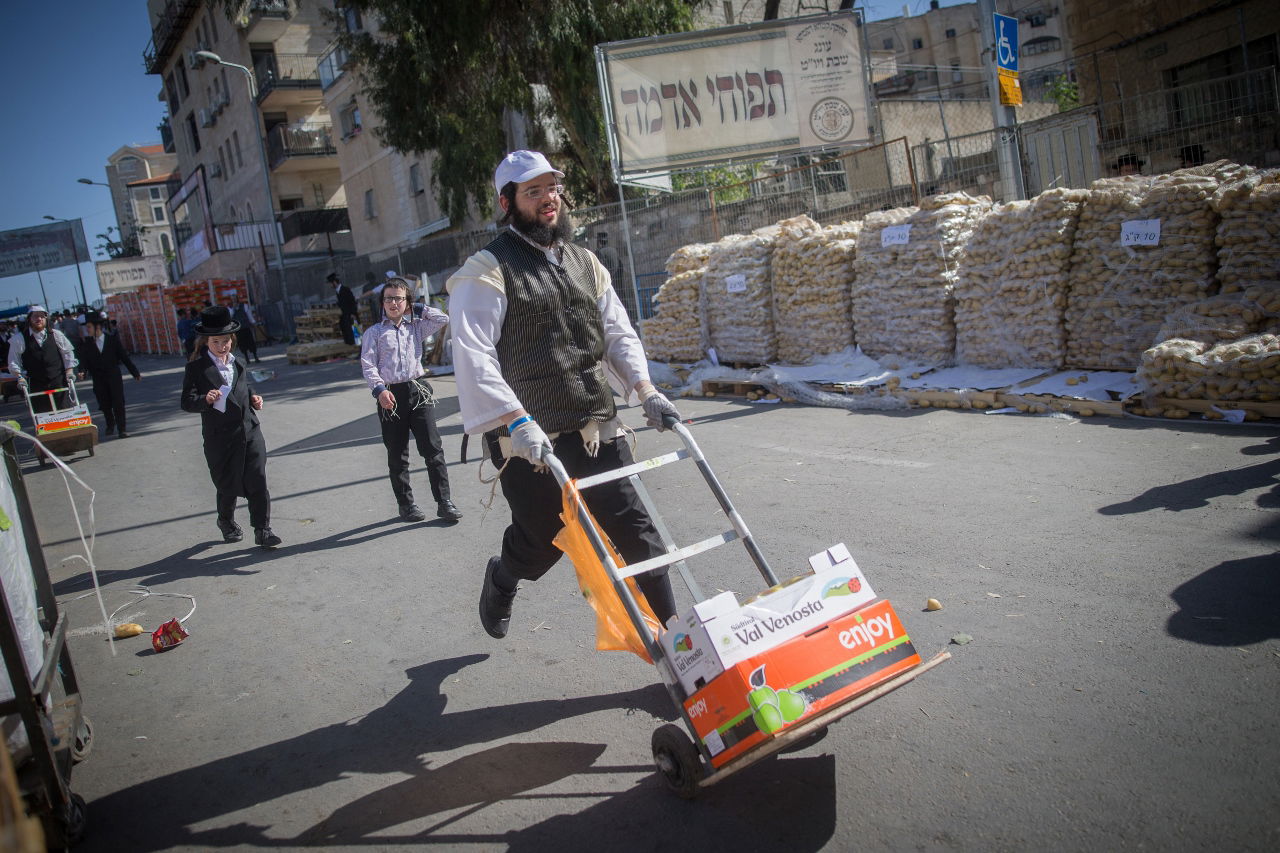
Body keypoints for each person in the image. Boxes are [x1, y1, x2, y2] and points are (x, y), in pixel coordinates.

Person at [446, 150, 682, 640]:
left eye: (552, 188)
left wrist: (645, 389)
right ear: (507, 202)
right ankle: (503, 576)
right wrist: (515, 419)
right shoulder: (486, 271)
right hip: (530, 442)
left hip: (597, 428)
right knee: (543, 542)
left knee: (639, 537)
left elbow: (616, 333)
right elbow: (474, 355)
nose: (548, 199)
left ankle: (684, 648)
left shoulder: (584, 262)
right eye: (533, 192)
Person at [360, 276, 462, 523]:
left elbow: (442, 319)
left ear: (407, 302)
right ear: (382, 303)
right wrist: (379, 391)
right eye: (388, 298)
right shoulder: (374, 332)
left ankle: (444, 502)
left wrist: (416, 308)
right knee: (398, 453)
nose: (393, 302)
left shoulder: (416, 326)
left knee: (432, 449)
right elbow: (368, 365)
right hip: (390, 395)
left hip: (418, 391)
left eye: (398, 298)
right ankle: (406, 505)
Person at [181, 305, 281, 549]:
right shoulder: (196, 368)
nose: (222, 346)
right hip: (220, 437)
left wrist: (255, 399)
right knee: (227, 484)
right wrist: (205, 399)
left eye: (226, 341)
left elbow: (245, 389)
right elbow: (186, 401)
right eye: (216, 342)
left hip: (249, 431)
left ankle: (263, 530)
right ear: (206, 341)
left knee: (257, 479)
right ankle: (225, 520)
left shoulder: (239, 362)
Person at [77, 311, 141, 438]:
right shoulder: (87, 344)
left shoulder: (112, 340)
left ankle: (122, 429)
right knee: (105, 403)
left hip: (114, 377)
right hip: (98, 378)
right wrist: (82, 371)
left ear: (97, 326)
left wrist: (135, 373)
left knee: (118, 402)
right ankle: (110, 424)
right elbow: (83, 361)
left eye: (89, 327)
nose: (87, 330)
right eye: (86, 327)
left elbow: (124, 357)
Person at [7, 305, 77, 413]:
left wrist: (69, 371)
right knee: (43, 416)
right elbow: (13, 361)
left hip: (58, 381)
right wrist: (19, 377)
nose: (39, 319)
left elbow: (67, 353)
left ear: (46, 319)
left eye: (42, 316)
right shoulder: (19, 339)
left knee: (65, 412)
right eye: (35, 316)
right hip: (36, 384)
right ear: (29, 319)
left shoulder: (56, 335)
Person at [328, 272, 359, 346]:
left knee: (356, 333)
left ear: (334, 282)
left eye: (331, 283)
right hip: (345, 316)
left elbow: (352, 301)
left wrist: (353, 313)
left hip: (351, 315)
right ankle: (353, 348)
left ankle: (361, 351)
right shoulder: (338, 292)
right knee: (349, 333)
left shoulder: (345, 290)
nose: (330, 285)